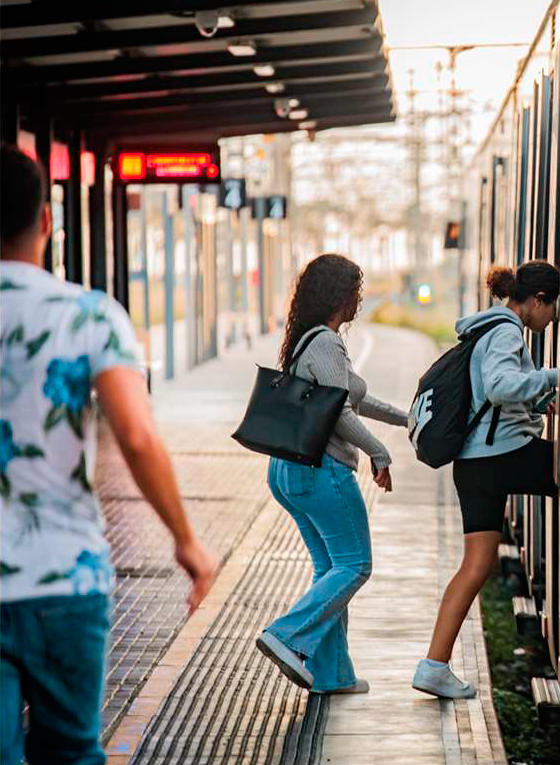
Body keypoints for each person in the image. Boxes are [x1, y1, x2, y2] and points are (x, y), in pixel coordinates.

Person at [0, 143, 218, 765]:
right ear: (46, 222)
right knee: (71, 751)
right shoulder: (90, 315)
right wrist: (186, 541)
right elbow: (138, 435)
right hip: (65, 577)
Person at [412, 260, 560, 699]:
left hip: (474, 464)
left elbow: (494, 396)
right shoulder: (505, 330)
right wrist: (558, 377)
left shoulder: (485, 330)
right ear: (537, 301)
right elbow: (503, 386)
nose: (552, 320)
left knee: (475, 566)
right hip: (502, 457)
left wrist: (541, 404)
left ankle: (434, 666)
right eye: (553, 310)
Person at [255, 253, 408, 694]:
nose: (359, 301)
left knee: (330, 569)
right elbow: (340, 411)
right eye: (356, 292)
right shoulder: (325, 342)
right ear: (341, 297)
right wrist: (380, 452)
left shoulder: (313, 340)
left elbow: (351, 397)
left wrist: (405, 420)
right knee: (356, 565)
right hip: (320, 470)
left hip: (292, 470)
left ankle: (331, 674)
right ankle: (286, 635)